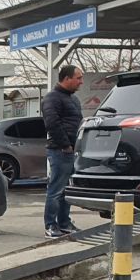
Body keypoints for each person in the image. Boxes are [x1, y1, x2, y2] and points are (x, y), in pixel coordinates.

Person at [41, 65, 85, 238]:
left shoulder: (73, 100)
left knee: (67, 189)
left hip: (72, 151)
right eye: (78, 78)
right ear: (67, 78)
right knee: (56, 189)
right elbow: (52, 124)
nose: (81, 82)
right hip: (59, 151)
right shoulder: (52, 98)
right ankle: (50, 225)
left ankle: (64, 223)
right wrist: (65, 145)